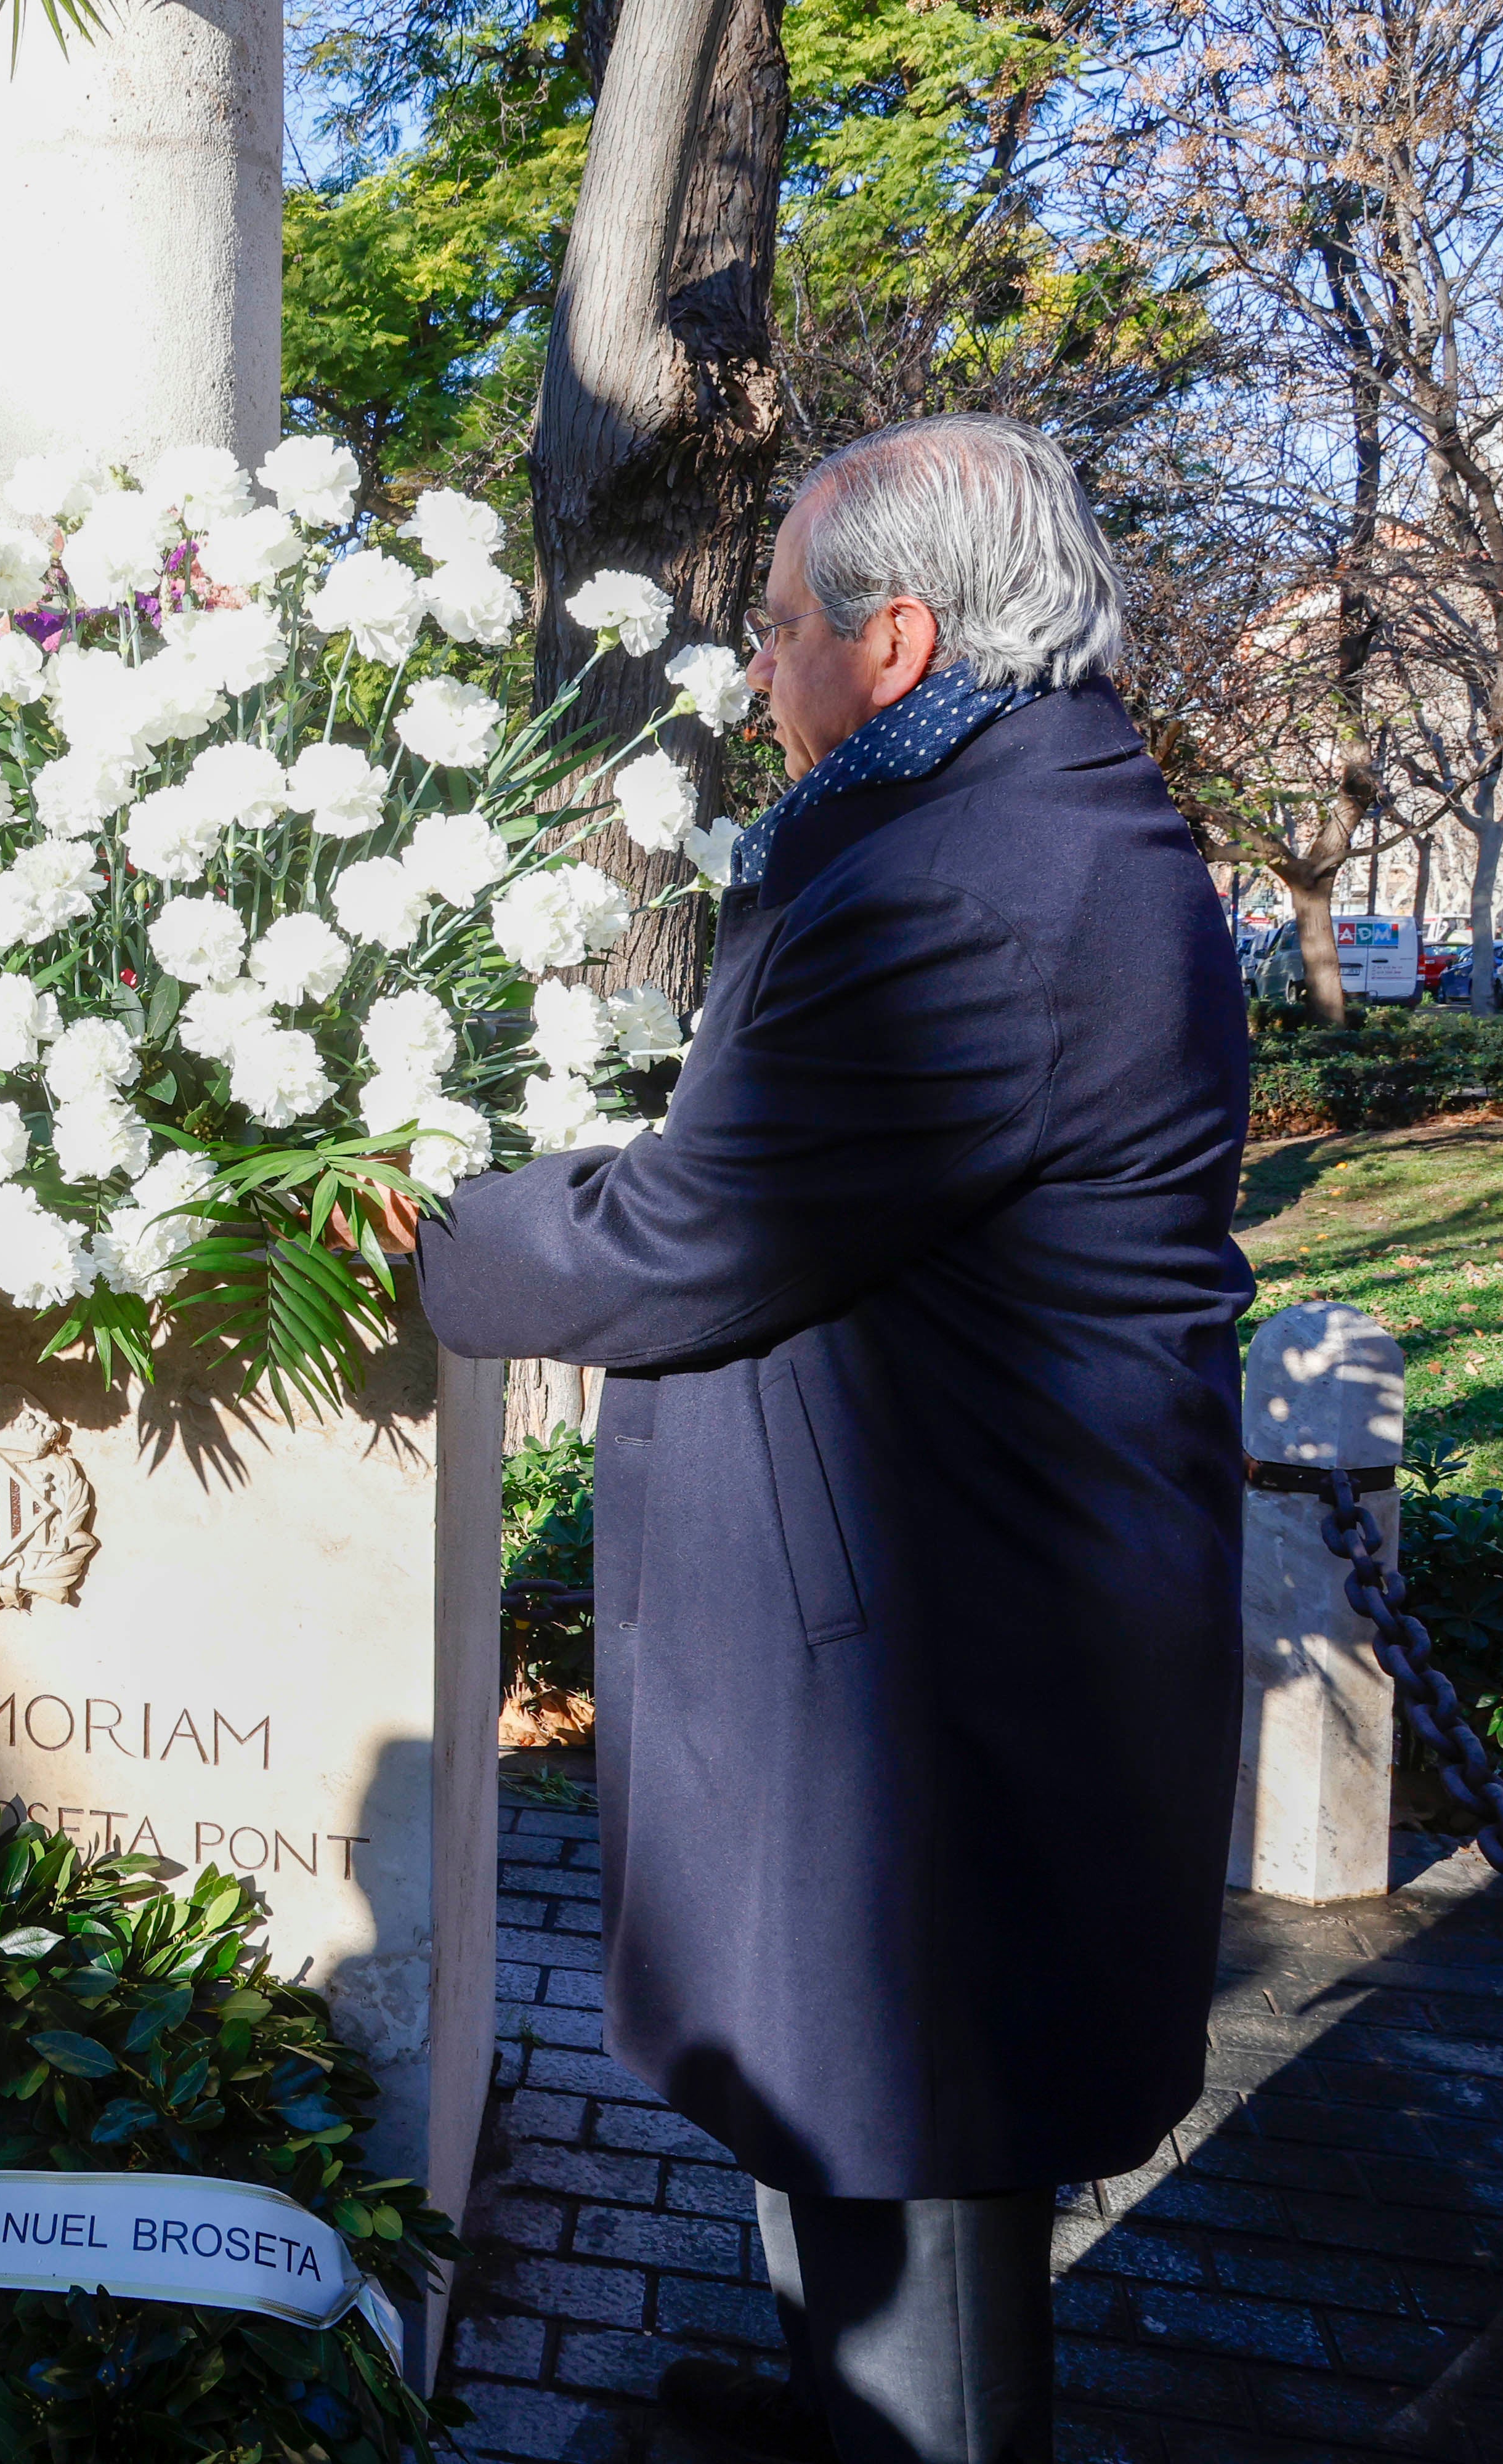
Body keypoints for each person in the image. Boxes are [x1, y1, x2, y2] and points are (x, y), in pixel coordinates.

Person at [413, 415, 1252, 2464]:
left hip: (939, 1663)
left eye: (778, 625)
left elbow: (713, 1228)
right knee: (841, 2087)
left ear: (893, 642)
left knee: (906, 2115)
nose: (755, 663)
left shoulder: (974, 885)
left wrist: (429, 1231)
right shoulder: (984, 825)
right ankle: (840, 2410)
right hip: (919, 1618)